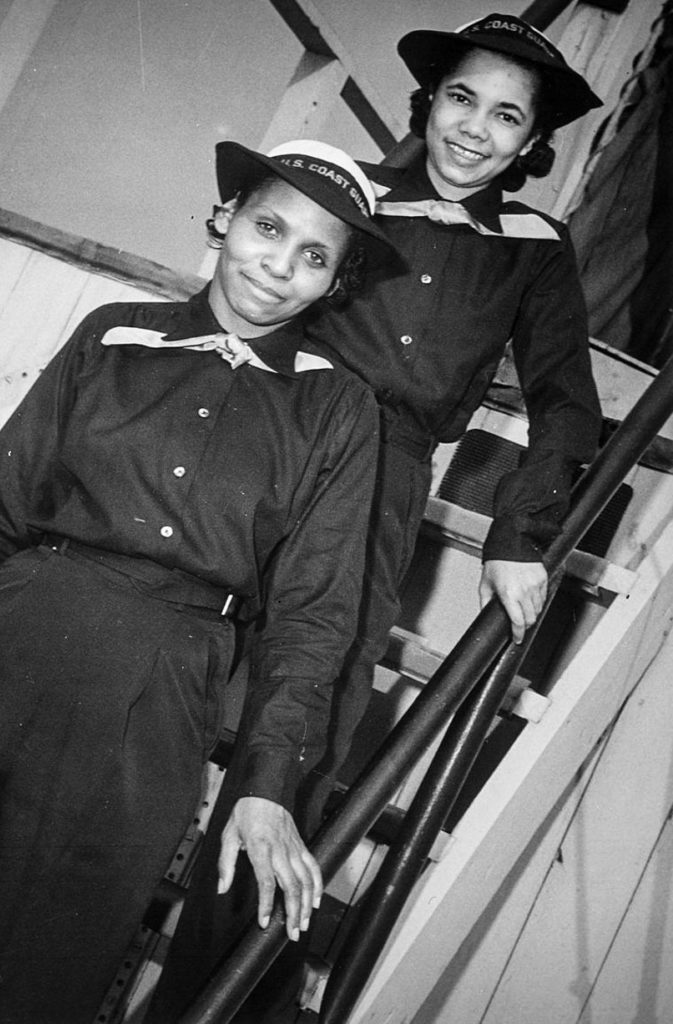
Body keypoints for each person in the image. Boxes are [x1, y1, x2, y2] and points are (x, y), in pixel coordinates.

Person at [0, 138, 400, 1023]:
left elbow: (314, 614)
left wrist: (264, 782)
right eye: (266, 226)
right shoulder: (111, 333)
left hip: (159, 689)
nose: (278, 265)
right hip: (4, 638)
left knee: (25, 985)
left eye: (314, 256)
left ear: (334, 283)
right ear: (223, 220)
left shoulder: (337, 410)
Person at [147, 13, 604, 1023]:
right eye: (458, 100)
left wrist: (516, 535)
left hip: (381, 482)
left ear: (530, 145)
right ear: (427, 102)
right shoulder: (339, 195)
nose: (472, 132)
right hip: (266, 434)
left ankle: (203, 1006)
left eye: (504, 118)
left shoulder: (533, 249)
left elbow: (567, 402)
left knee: (298, 745)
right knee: (152, 667)